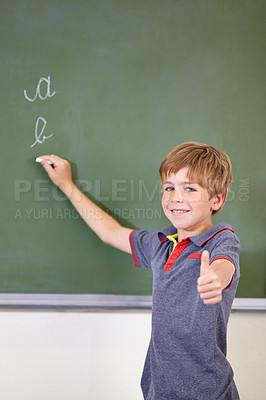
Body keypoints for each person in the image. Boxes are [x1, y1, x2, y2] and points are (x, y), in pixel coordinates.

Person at [39, 141, 240, 400]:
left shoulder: (220, 239)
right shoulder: (161, 245)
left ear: (217, 199)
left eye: (190, 188)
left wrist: (217, 278)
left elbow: (225, 264)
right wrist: (66, 184)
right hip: (159, 391)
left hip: (207, 392)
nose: (176, 197)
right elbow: (110, 233)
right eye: (169, 188)